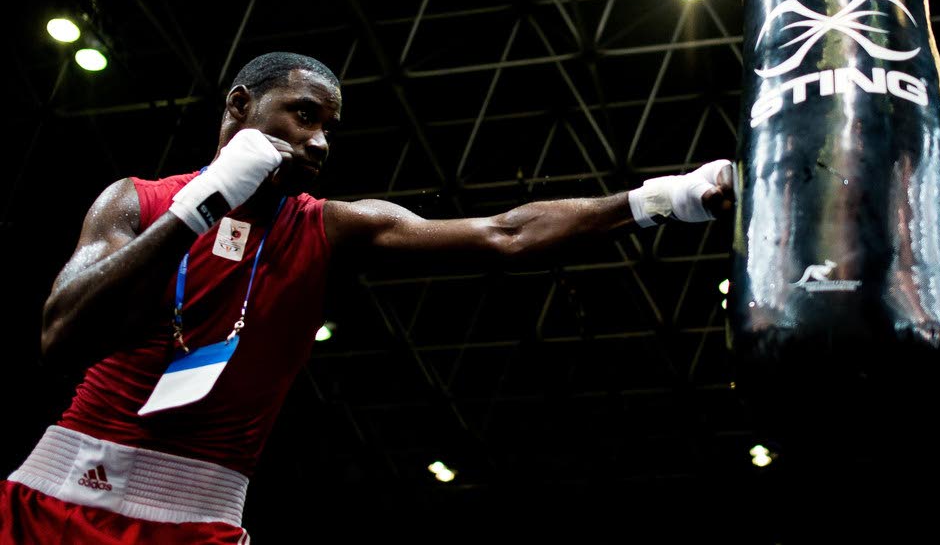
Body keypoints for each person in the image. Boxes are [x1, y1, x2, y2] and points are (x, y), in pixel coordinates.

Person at [0, 52, 734, 543]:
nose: (320, 143)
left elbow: (503, 234)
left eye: (331, 128)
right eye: (304, 115)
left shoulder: (331, 229)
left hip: (197, 518)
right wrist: (200, 203)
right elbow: (60, 333)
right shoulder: (138, 200)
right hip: (60, 497)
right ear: (240, 104)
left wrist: (657, 199)